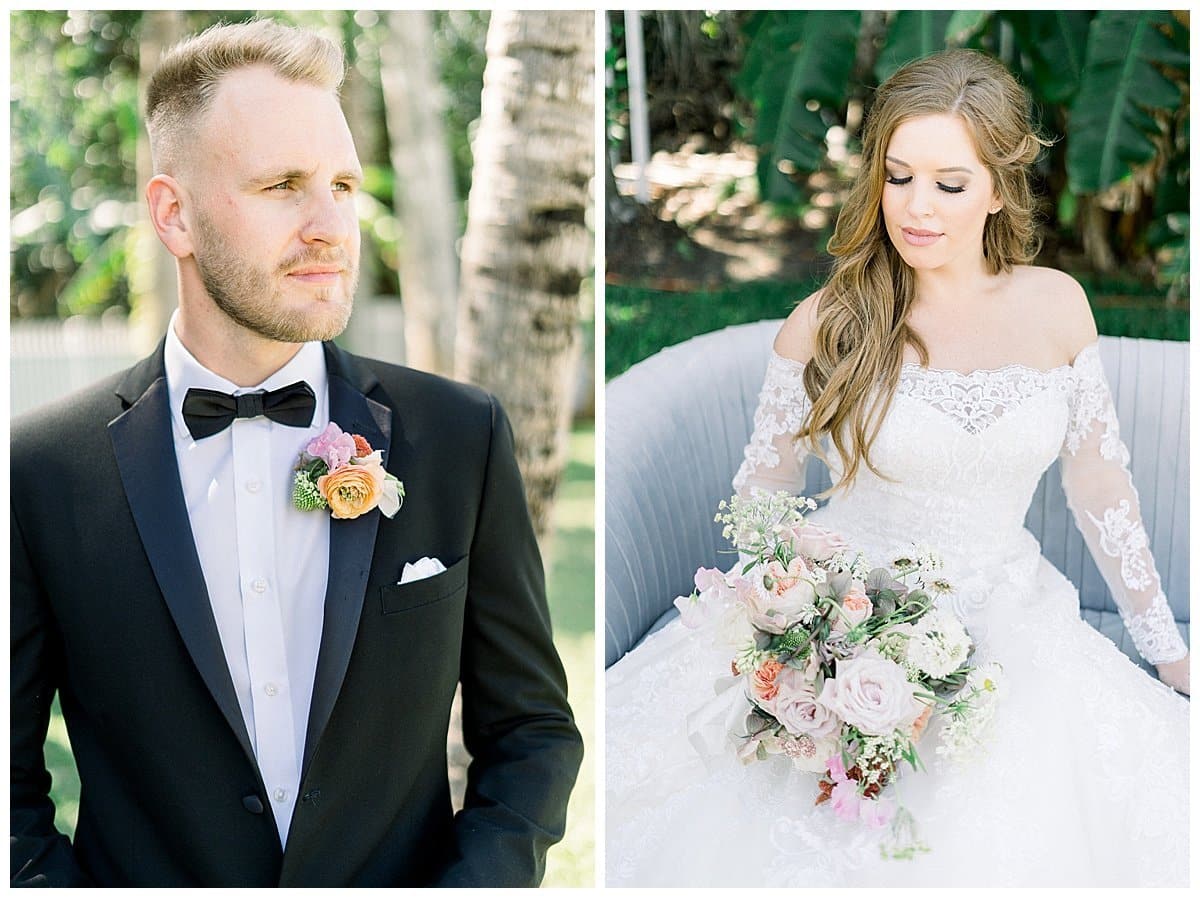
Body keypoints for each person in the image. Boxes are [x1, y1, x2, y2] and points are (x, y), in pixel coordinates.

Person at [11, 19, 582, 887]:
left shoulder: (458, 436)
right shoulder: (41, 471)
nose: (331, 225)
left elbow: (532, 732)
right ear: (176, 215)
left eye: (342, 183)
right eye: (282, 185)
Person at [605, 49, 1188, 887]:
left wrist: (1165, 647)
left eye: (949, 184)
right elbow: (763, 496)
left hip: (1011, 618)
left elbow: (1100, 484)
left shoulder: (1058, 305)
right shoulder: (829, 323)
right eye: (899, 176)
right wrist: (790, 626)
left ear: (998, 185)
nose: (917, 209)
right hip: (848, 619)